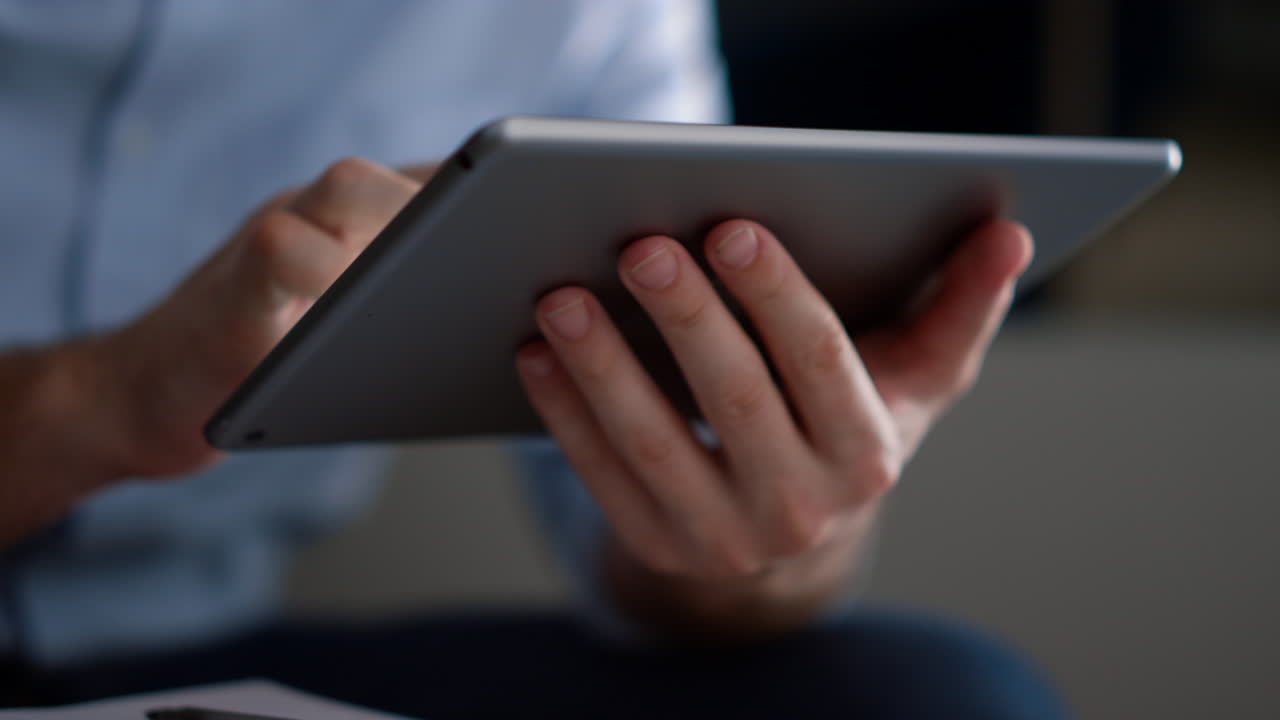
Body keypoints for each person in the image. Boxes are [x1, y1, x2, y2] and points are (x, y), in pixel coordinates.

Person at [0, 1, 1065, 717]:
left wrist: (777, 533)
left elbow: (632, 533)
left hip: (201, 639)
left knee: (941, 699)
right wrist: (103, 399)